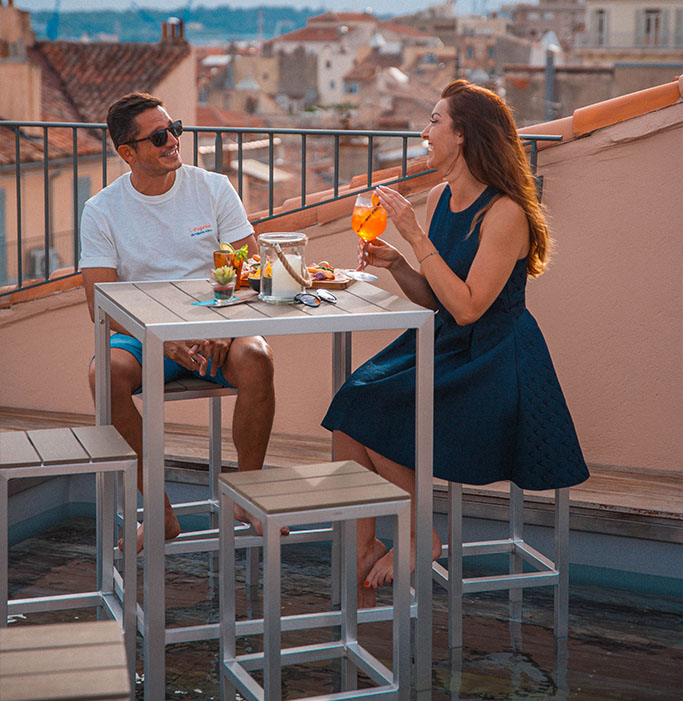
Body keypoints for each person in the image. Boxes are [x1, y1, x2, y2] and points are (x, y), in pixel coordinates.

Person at [322, 79, 589, 603]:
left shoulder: (505, 212)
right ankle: (365, 545)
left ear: (463, 135)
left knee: (371, 405)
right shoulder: (442, 196)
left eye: (434, 122)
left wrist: (414, 238)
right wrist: (399, 262)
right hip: (447, 341)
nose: (425, 133)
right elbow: (437, 297)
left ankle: (423, 533)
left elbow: (468, 307)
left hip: (494, 359)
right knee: (350, 403)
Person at [80, 92, 276, 552]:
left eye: (175, 129)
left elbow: (251, 274)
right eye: (159, 136)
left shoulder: (213, 188)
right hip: (145, 337)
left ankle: (249, 497)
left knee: (258, 357)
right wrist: (162, 341)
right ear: (128, 153)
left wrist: (224, 328)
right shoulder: (103, 210)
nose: (173, 141)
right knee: (103, 374)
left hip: (218, 324)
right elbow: (100, 306)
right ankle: (161, 512)